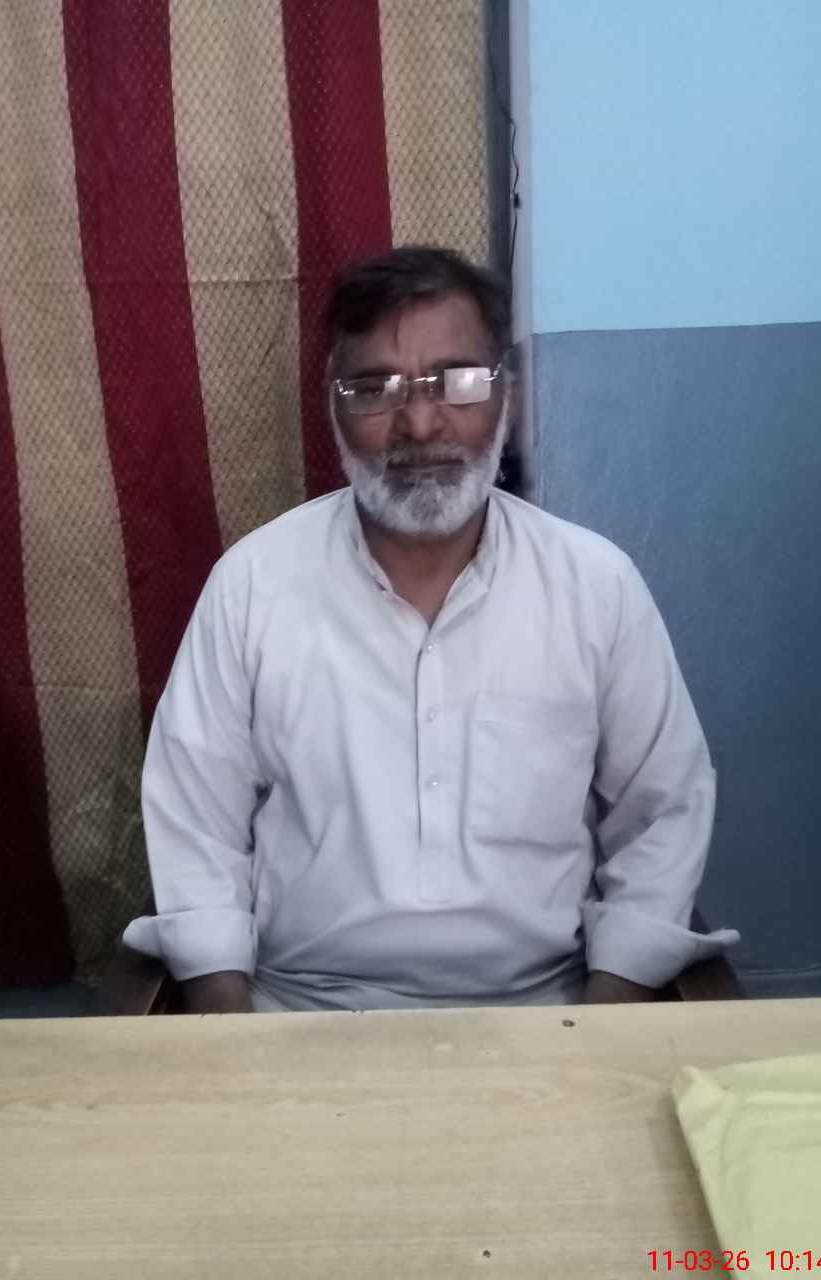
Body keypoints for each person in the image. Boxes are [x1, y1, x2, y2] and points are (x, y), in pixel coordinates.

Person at [124, 246, 738, 1013]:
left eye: (458, 380)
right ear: (333, 407)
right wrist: (235, 1049)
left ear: (508, 397)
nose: (419, 423)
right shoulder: (252, 586)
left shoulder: (596, 586)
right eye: (375, 388)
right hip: (300, 1015)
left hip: (546, 1014)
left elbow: (663, 813)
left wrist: (595, 1034)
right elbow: (196, 825)